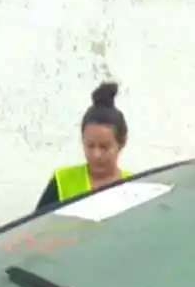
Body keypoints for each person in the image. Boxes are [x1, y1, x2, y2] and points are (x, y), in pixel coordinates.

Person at [36, 81, 129, 210]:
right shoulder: (62, 180)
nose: (96, 155)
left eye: (104, 147)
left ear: (122, 142)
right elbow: (37, 227)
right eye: (90, 146)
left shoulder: (133, 186)